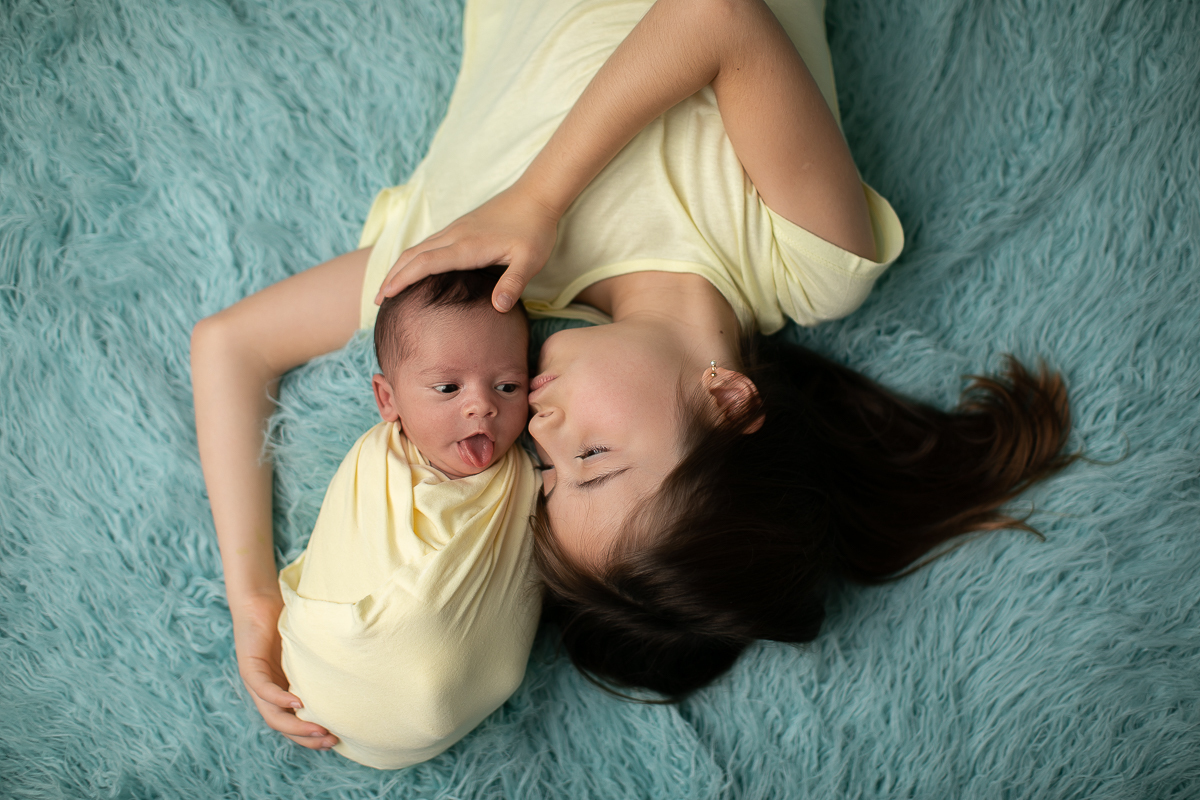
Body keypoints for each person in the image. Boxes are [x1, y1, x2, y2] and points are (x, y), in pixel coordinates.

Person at [189, 0, 1071, 751]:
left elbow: (231, 346)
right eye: (597, 458)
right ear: (728, 399)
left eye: (549, 477)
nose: (538, 431)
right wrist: (538, 201)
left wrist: (256, 604)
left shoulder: (476, 301)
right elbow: (717, 19)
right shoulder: (804, 260)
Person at [275, 271, 540, 768]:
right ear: (387, 400)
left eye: (508, 385)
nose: (482, 404)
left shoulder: (522, 478)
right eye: (446, 387)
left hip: (465, 694)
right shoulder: (377, 462)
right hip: (323, 672)